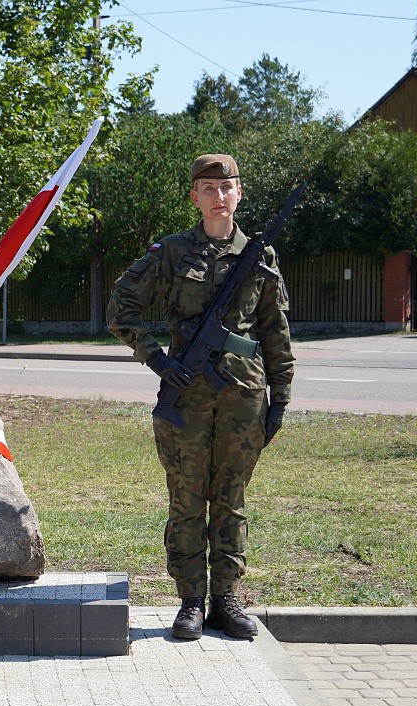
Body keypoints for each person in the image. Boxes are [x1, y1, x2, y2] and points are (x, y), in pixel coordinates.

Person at [105, 154, 294, 641]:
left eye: (225, 186)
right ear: (195, 196)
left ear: (239, 193)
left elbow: (275, 331)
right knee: (186, 500)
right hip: (186, 397)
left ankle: (226, 600)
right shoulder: (170, 253)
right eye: (207, 188)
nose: (218, 195)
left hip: (243, 397)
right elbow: (121, 307)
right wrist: (156, 358)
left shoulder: (260, 256)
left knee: (230, 500)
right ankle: (190, 601)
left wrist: (280, 399)